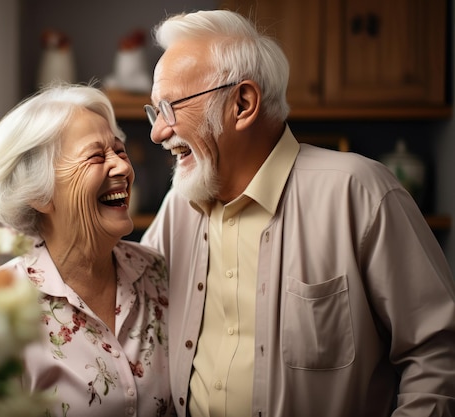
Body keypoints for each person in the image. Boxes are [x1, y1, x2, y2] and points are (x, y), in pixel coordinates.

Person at [140, 9, 455, 417]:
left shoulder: (358, 192)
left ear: (243, 103)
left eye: (170, 108)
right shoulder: (177, 208)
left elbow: (437, 354)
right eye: (154, 112)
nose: (157, 132)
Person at [0, 83, 173, 417]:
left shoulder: (159, 274)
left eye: (120, 151)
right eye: (97, 156)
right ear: (40, 193)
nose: (123, 168)